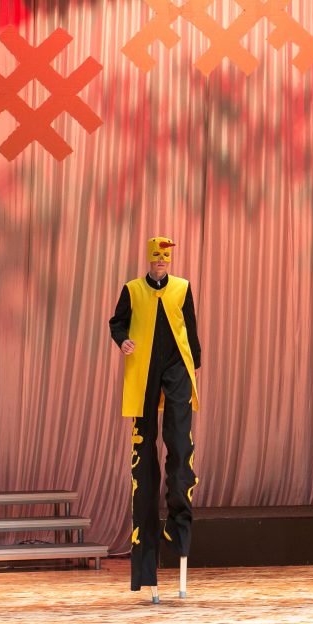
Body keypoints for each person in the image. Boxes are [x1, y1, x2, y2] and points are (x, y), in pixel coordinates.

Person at [109, 236, 201, 601]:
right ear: (149, 259)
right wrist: (122, 340)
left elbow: (189, 326)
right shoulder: (133, 290)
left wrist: (195, 361)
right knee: (144, 458)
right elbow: (117, 322)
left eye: (166, 256)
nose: (162, 261)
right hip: (145, 369)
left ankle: (177, 529)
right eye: (157, 256)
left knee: (179, 446)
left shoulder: (182, 288)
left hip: (177, 366)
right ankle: (146, 564)